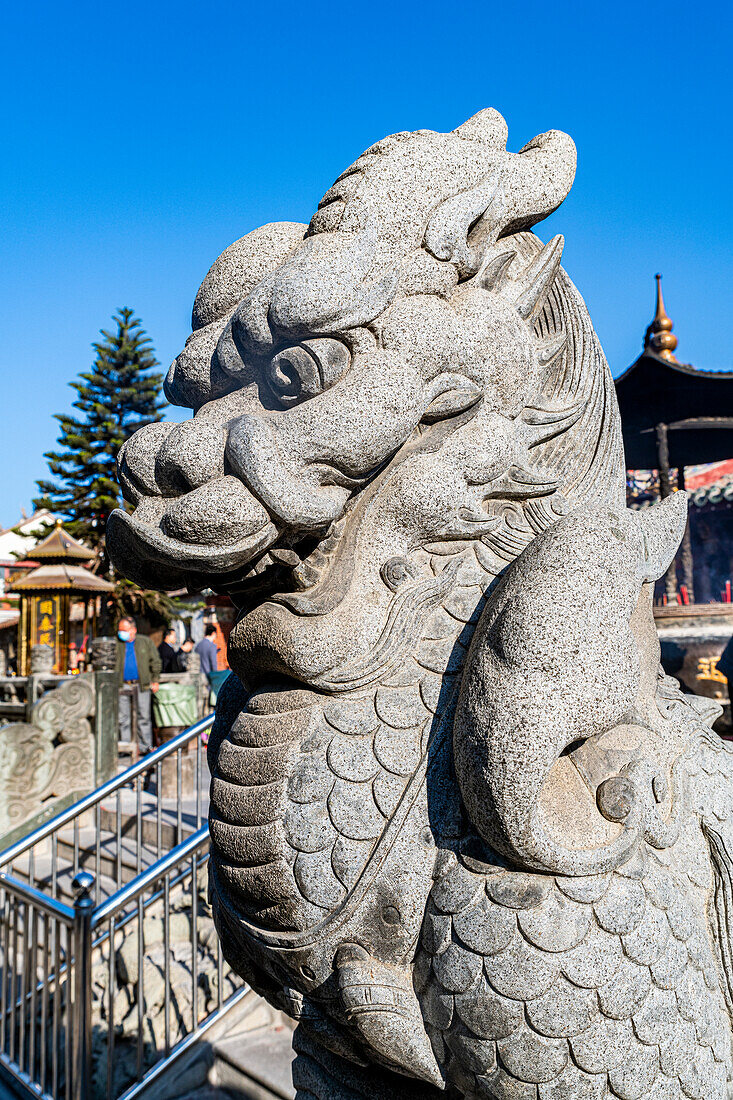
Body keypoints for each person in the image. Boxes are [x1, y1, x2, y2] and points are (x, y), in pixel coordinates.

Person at [116, 616, 161, 756]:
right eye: (119, 630)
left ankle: (144, 746)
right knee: (123, 718)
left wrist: (155, 679)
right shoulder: (116, 643)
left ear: (133, 630)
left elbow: (155, 661)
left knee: (144, 716)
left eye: (124, 630)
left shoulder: (145, 642)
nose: (121, 633)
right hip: (122, 685)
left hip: (142, 685)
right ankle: (125, 746)